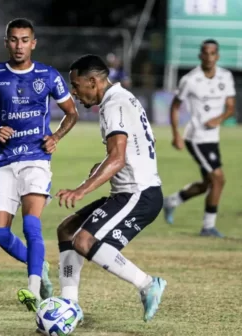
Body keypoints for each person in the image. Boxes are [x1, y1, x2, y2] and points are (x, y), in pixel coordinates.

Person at [0, 18, 78, 312]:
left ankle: (32, 288)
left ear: (34, 42)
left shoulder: (48, 74)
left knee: (32, 223)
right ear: (6, 43)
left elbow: (71, 113)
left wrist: (56, 136)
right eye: (14, 40)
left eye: (25, 40)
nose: (19, 46)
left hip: (36, 160)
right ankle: (39, 263)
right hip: (4, 161)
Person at [55, 54, 166, 322]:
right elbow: (123, 154)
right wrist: (101, 166)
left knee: (84, 240)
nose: (73, 92)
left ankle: (148, 284)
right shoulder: (122, 98)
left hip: (138, 194)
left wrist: (82, 189)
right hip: (128, 191)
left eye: (76, 84)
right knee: (67, 230)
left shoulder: (112, 105)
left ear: (93, 82)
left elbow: (117, 157)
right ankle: (71, 306)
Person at [162, 39, 236, 238]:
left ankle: (171, 201)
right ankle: (208, 227)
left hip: (213, 137)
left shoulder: (226, 77)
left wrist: (218, 119)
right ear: (200, 56)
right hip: (195, 137)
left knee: (207, 184)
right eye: (205, 53)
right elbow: (175, 106)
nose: (209, 56)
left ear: (217, 56)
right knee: (219, 179)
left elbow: (231, 107)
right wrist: (176, 134)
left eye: (212, 53)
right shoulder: (190, 80)